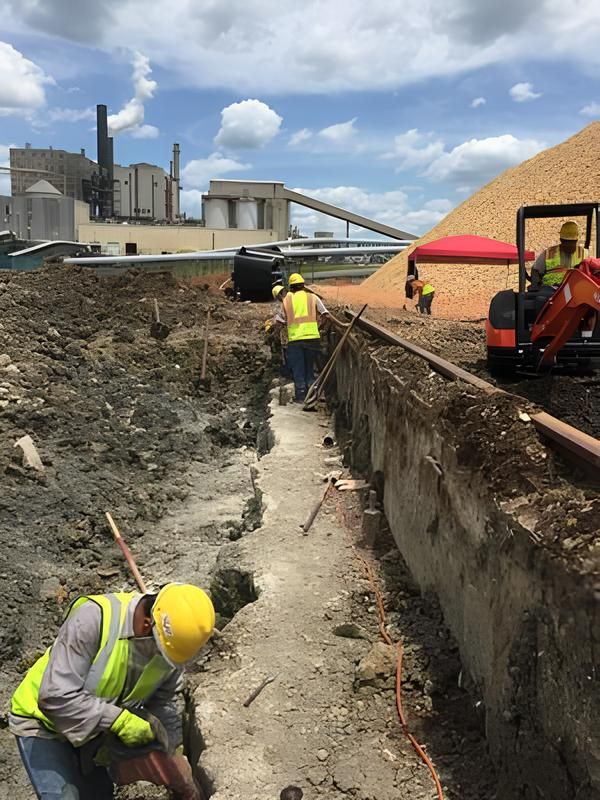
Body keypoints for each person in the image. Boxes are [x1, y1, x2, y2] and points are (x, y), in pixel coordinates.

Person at [10, 582, 215, 799]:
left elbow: (163, 702)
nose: (164, 662)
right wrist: (120, 721)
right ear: (147, 625)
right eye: (161, 652)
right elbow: (55, 696)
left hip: (95, 729)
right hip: (42, 722)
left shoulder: (169, 650)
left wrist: (173, 750)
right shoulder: (93, 619)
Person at [275, 273, 330, 403]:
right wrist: (320, 327)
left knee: (298, 369)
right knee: (309, 368)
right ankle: (312, 396)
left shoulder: (287, 301)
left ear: (291, 287)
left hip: (295, 340)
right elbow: (326, 314)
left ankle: (301, 396)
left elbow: (280, 320)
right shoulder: (313, 297)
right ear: (303, 285)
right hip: (313, 338)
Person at [530, 220, 587, 290]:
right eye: (566, 242)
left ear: (576, 240)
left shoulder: (584, 254)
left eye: (572, 242)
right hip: (551, 293)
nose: (569, 245)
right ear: (561, 240)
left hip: (575, 291)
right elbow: (535, 270)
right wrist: (535, 286)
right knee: (540, 298)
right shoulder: (549, 253)